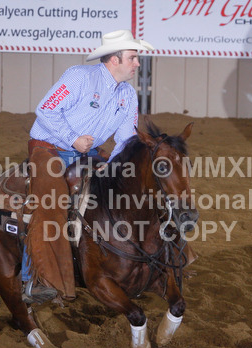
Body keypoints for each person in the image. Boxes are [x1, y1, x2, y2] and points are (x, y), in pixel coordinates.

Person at [21, 30, 154, 303]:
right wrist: (73, 138)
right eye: (132, 57)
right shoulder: (79, 77)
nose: (137, 63)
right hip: (50, 149)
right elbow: (45, 109)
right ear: (115, 59)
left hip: (89, 154)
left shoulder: (128, 94)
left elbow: (126, 138)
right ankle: (33, 279)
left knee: (126, 192)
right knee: (50, 202)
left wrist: (114, 166)